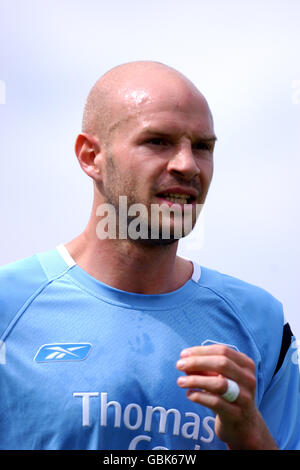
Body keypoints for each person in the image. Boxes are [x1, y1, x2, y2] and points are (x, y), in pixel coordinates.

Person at [0, 61, 299, 451]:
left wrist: (251, 435)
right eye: (157, 141)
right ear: (91, 156)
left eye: (203, 147)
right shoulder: (10, 306)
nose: (187, 165)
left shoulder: (261, 323)